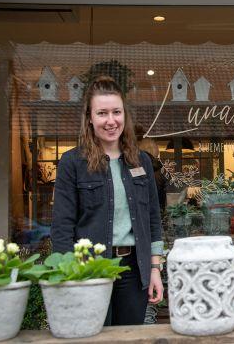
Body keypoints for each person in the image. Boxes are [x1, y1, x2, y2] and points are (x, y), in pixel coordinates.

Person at [51, 76, 164, 325]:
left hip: (133, 270)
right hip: (89, 269)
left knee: (129, 338)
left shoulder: (142, 161)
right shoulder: (73, 163)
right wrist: (68, 275)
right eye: (102, 113)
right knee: (94, 336)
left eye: (116, 112)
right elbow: (62, 228)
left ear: (125, 115)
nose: (111, 121)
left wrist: (155, 268)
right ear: (90, 118)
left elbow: (153, 219)